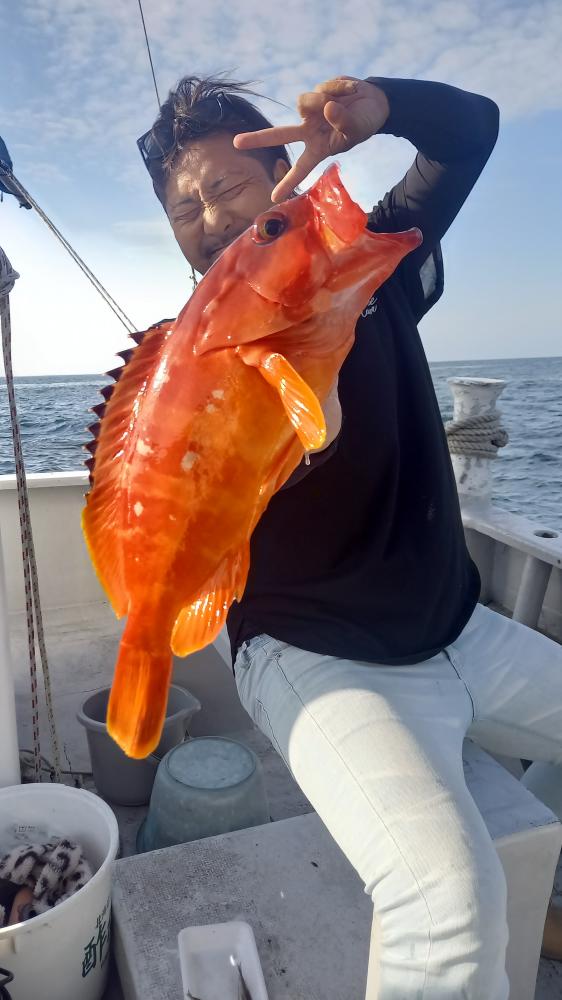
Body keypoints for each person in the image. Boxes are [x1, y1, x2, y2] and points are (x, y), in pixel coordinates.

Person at [137, 73, 562, 997]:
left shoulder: (373, 268)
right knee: (447, 904)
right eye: (183, 209)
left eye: (227, 187)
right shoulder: (198, 365)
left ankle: (546, 897)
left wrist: (383, 106)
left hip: (462, 630)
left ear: (281, 174)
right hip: (313, 654)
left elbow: (472, 132)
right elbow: (253, 467)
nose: (208, 218)